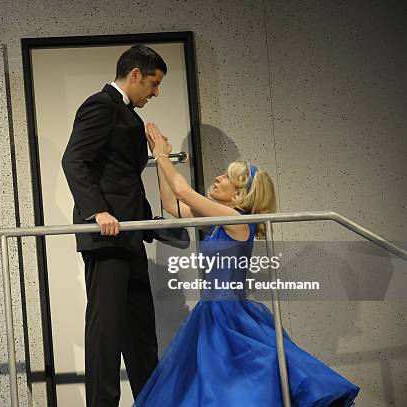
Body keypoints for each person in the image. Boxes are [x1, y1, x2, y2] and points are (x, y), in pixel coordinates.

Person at [134, 123, 360, 406]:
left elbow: (182, 192)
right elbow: (170, 203)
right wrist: (158, 159)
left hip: (229, 314)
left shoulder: (236, 220)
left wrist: (162, 154)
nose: (217, 178)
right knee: (213, 386)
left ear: (239, 195)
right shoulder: (217, 221)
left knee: (232, 385)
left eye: (227, 177)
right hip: (211, 311)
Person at [61, 45, 167, 407]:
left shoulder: (132, 119)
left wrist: (150, 222)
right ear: (135, 74)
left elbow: (127, 180)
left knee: (140, 332)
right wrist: (96, 212)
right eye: (153, 83)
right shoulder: (100, 105)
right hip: (106, 239)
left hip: (130, 237)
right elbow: (73, 159)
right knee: (106, 332)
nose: (156, 92)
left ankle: (152, 401)